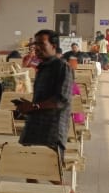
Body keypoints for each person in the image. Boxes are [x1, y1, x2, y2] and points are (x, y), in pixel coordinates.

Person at [14, 29, 73, 162]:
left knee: (49, 168)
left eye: (42, 44)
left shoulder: (62, 67)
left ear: (53, 46)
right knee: (27, 167)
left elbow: (61, 100)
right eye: (36, 44)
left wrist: (33, 106)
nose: (37, 48)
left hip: (52, 130)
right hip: (34, 127)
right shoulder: (42, 67)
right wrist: (27, 106)